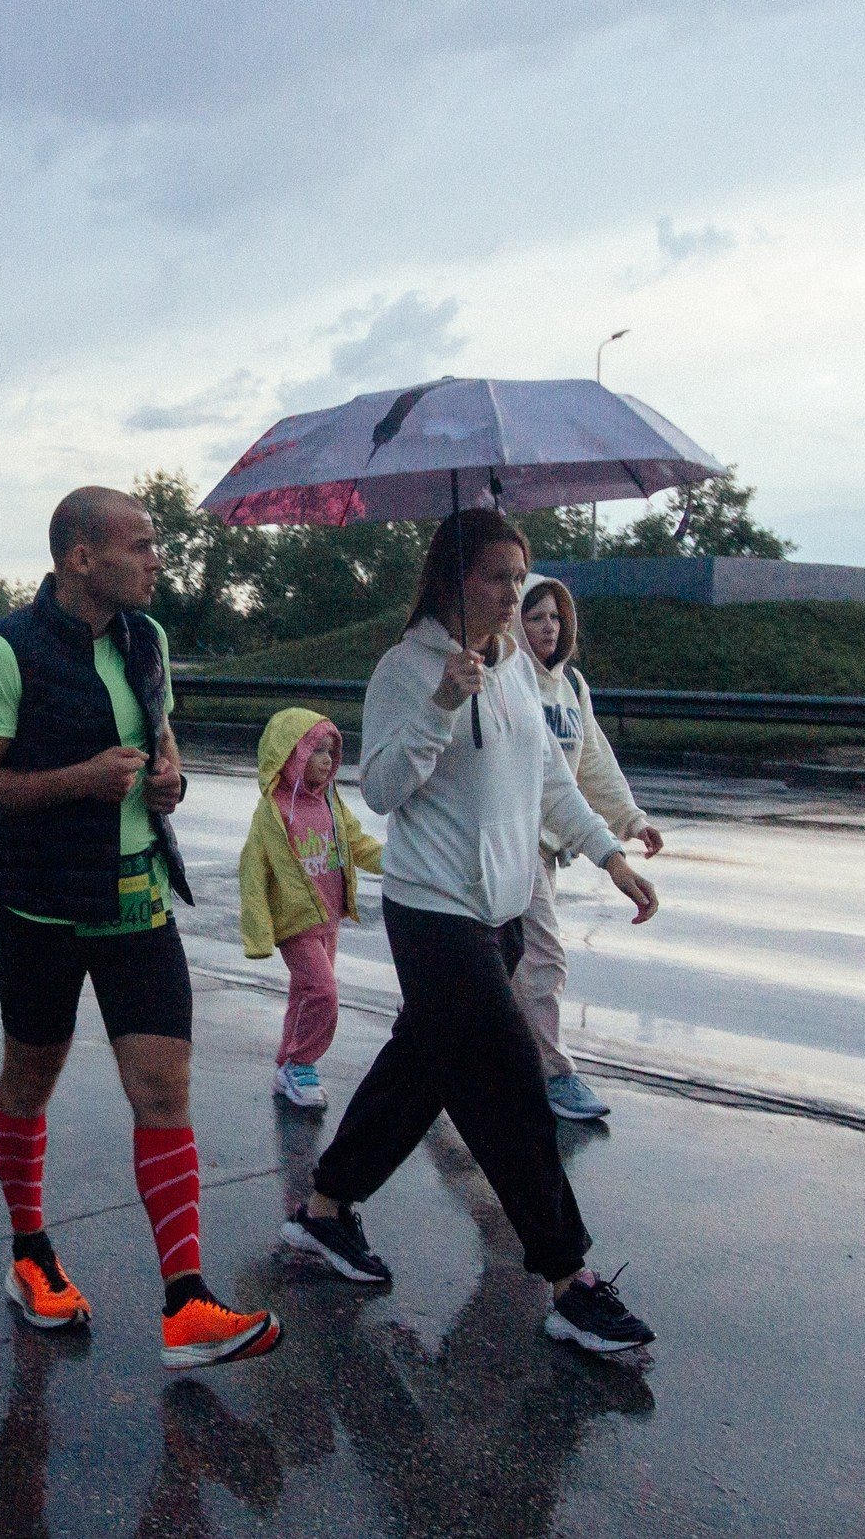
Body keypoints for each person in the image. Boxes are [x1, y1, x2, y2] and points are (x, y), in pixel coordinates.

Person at [279, 507, 663, 1358]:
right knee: (508, 1086)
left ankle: (324, 1211)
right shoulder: (405, 669)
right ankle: (568, 1280)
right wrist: (445, 701)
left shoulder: (518, 663)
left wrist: (609, 855)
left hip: (503, 915)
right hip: (434, 914)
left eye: (520, 578)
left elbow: (549, 783)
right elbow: (379, 788)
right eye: (497, 577)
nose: (513, 593)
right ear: (451, 578)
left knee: (418, 1074)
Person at [0, 485, 281, 1372]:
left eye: (156, 543)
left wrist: (166, 778)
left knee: (164, 1091)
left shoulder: (148, 639)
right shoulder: (3, 651)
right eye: (140, 545)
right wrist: (80, 778)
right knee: (29, 1081)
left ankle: (186, 1304)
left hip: (139, 900)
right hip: (42, 906)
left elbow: (159, 742)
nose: (156, 559)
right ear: (80, 558)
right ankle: (29, 1252)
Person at [516, 576, 664, 1121]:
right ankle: (553, 1076)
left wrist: (630, 818)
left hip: (552, 843)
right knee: (545, 956)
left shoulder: (571, 686)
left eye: (556, 617)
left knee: (506, 958)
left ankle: (424, 1028)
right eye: (535, 617)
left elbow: (591, 763)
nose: (548, 627)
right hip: (511, 840)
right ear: (514, 623)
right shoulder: (508, 684)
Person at [239, 708, 383, 1111]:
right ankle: (302, 1062)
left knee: (305, 993)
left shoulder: (332, 804)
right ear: (288, 756)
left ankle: (287, 1063)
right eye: (313, 751)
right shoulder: (273, 811)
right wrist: (258, 932)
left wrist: (398, 864)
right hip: (295, 923)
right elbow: (252, 871)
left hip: (328, 920)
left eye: (328, 751)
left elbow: (357, 845)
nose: (324, 759)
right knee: (323, 992)